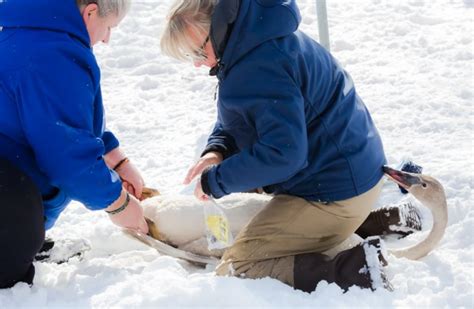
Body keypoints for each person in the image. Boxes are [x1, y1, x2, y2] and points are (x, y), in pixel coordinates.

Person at [160, 0, 417, 292]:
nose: (197, 62)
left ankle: (357, 270)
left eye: (197, 51)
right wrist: (216, 150)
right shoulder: (259, 34)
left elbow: (284, 154)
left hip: (334, 193)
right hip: (357, 174)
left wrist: (217, 181)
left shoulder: (255, 67)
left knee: (238, 266)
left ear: (217, 29)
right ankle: (373, 222)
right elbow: (245, 119)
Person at [0, 0, 149, 289]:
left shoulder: (30, 35)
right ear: (90, 12)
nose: (107, 39)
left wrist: (116, 160)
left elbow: (61, 120)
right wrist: (118, 204)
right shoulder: (52, 56)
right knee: (15, 211)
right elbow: (67, 159)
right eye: (109, 28)